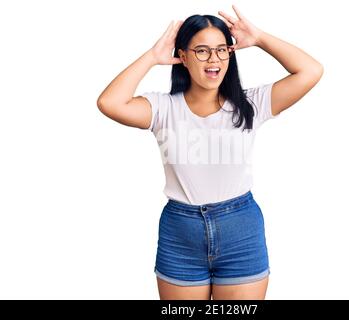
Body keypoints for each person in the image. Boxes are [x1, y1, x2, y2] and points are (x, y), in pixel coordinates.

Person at [97, 5, 323, 300]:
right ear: (183, 57)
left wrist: (259, 37)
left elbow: (311, 70)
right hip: (181, 232)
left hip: (240, 229)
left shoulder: (250, 104)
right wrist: (153, 57)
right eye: (202, 50)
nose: (213, 59)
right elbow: (109, 103)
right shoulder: (163, 108)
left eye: (221, 50)